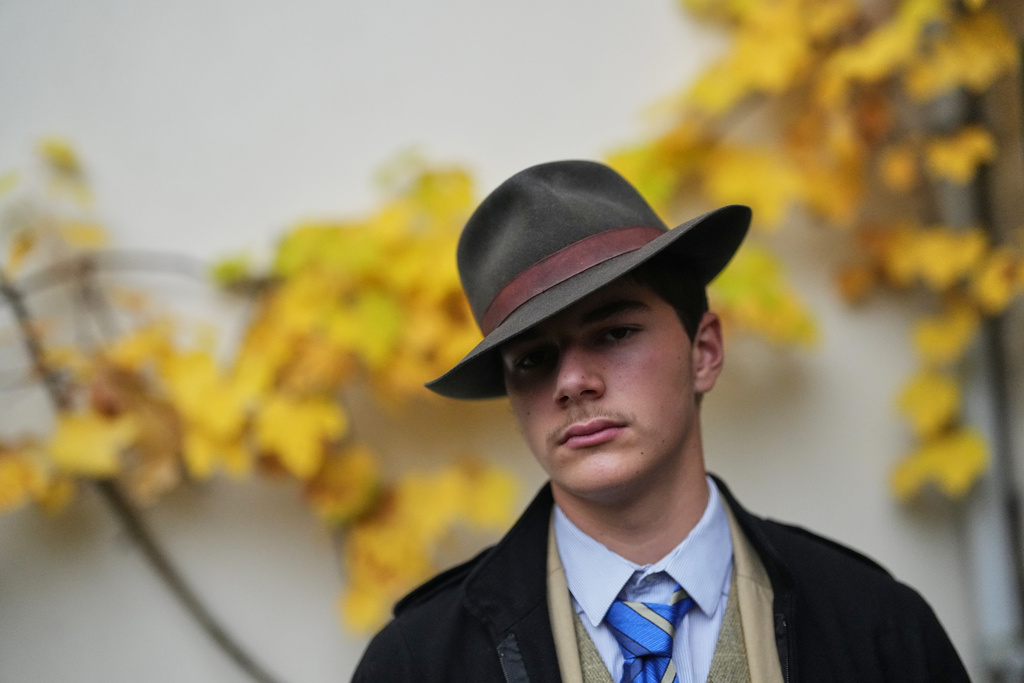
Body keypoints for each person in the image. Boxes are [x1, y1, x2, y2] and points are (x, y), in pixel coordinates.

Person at [352, 160, 969, 682]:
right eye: (534, 360)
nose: (572, 382)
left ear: (704, 352)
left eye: (615, 332)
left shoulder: (876, 629)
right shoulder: (418, 665)